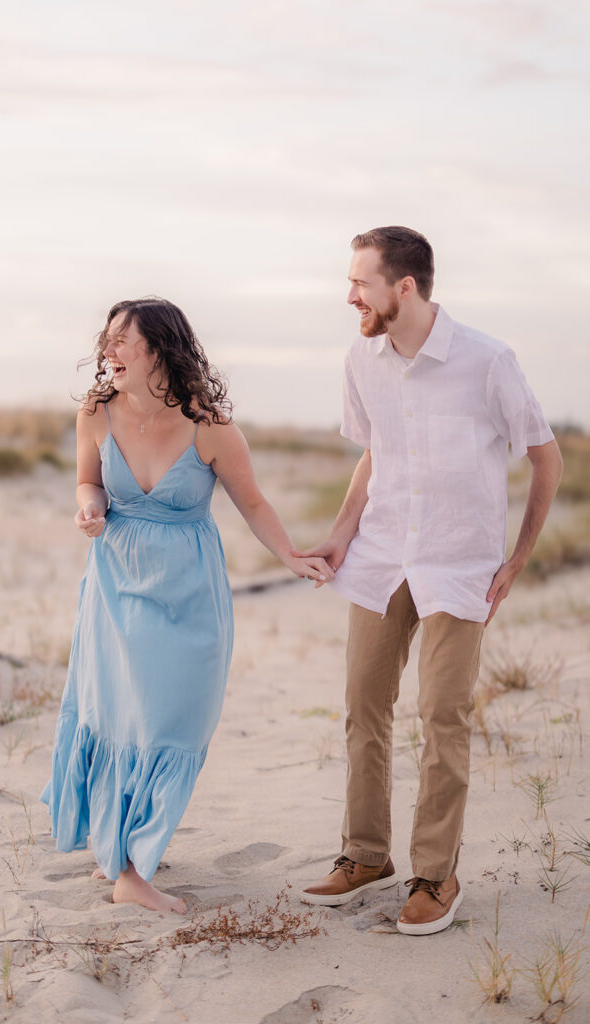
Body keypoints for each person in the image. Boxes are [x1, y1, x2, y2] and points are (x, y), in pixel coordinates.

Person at [297, 227, 562, 935]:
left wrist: (516, 557)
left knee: (441, 715)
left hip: (458, 564)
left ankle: (434, 877)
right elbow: (374, 456)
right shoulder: (361, 357)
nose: (349, 294)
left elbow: (546, 459)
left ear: (403, 287)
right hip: (381, 557)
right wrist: (340, 533)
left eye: (360, 281)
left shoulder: (486, 360)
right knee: (363, 707)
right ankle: (363, 857)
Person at [41, 297, 334, 914]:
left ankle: (127, 851)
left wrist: (290, 556)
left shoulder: (211, 428)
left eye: (124, 339)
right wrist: (91, 507)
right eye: (107, 339)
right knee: (116, 714)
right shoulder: (96, 413)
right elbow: (87, 480)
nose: (108, 351)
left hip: (188, 594)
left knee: (176, 720)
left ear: (161, 349)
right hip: (115, 586)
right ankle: (126, 867)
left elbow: (252, 503)